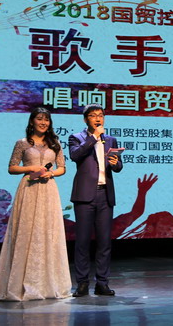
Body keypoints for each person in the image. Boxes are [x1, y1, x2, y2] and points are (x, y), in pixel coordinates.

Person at [0, 107, 71, 301]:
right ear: (32, 121)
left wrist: (51, 173)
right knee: (26, 231)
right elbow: (12, 168)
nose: (43, 123)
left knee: (48, 232)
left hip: (49, 189)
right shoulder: (22, 143)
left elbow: (62, 168)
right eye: (39, 119)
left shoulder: (55, 143)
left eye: (46, 120)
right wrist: (32, 168)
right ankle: (20, 284)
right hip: (29, 188)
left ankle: (48, 284)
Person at [69, 103, 123, 297]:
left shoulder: (111, 140)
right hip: (84, 196)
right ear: (86, 119)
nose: (98, 118)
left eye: (101, 115)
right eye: (93, 115)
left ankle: (102, 283)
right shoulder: (77, 137)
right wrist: (93, 138)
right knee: (82, 242)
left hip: (105, 195)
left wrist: (115, 164)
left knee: (104, 243)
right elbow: (75, 155)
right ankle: (82, 283)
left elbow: (118, 167)